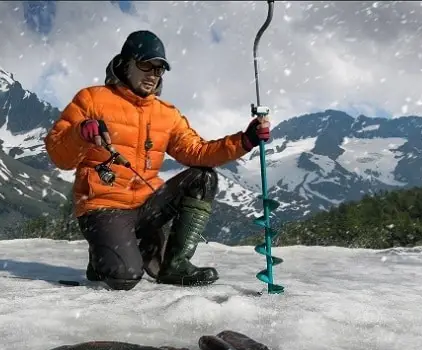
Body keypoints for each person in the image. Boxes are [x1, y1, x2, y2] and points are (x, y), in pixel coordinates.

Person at [44, 30, 270, 290]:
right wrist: (80, 132)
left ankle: (175, 265)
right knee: (124, 278)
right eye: (146, 65)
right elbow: (58, 154)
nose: (153, 74)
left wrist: (246, 140)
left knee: (203, 177)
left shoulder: (166, 114)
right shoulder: (91, 99)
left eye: (159, 69)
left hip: (148, 205)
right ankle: (102, 257)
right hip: (103, 206)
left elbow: (198, 152)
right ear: (126, 63)